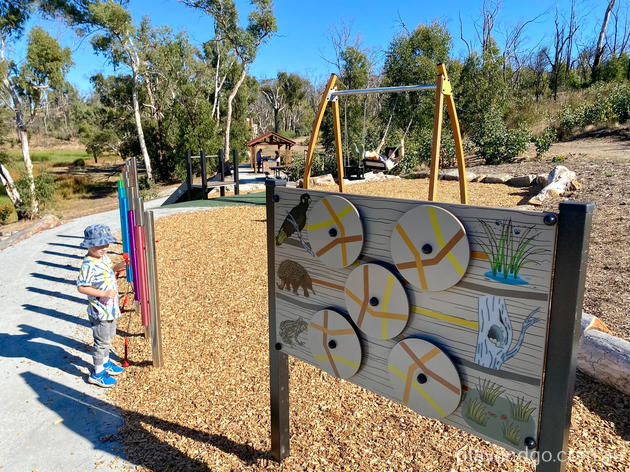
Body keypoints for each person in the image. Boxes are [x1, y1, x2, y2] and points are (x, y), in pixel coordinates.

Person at [76, 224, 126, 388]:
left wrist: (120, 265)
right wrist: (103, 294)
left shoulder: (103, 257)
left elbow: (110, 269)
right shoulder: (88, 264)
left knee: (109, 336)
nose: (104, 248)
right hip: (100, 309)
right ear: (90, 245)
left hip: (110, 307)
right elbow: (82, 287)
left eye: (106, 244)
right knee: (101, 341)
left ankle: (105, 363)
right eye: (100, 245)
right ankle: (97, 373)